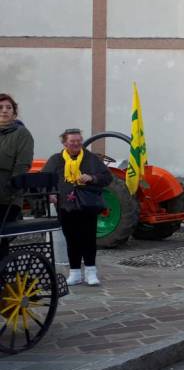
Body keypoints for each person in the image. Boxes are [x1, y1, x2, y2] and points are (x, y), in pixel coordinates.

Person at [42, 128, 112, 286]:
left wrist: (92, 177)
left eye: (79, 141)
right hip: (65, 205)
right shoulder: (56, 160)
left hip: (87, 204)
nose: (76, 144)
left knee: (88, 238)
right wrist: (50, 193)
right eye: (72, 141)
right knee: (71, 239)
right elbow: (44, 179)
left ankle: (91, 272)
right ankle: (74, 273)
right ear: (65, 142)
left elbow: (107, 177)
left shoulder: (91, 158)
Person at [0, 94, 34, 261]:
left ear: (14, 113)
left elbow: (22, 166)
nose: (4, 111)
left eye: (8, 107)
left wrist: (10, 189)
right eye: (0, 108)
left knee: (1, 240)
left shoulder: (22, 134)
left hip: (7, 198)